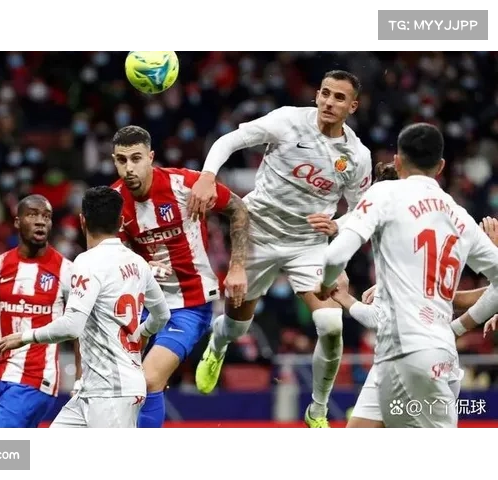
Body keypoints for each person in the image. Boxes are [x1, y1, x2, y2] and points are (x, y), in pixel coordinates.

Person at [188, 70, 372, 427]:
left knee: (330, 324)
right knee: (238, 327)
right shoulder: (287, 121)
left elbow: (361, 209)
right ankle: (218, 345)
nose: (329, 102)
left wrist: (338, 226)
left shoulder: (357, 156)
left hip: (308, 244)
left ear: (353, 106)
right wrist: (207, 176)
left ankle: (317, 410)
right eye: (325, 93)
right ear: (317, 95)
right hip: (257, 233)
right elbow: (230, 140)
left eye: (339, 97)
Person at [317, 122, 498, 429]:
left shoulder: (386, 193)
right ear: (441, 166)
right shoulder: (461, 216)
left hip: (408, 351)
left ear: (397, 161)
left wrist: (325, 283)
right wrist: (457, 328)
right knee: (359, 431)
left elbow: (335, 256)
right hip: (428, 351)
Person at [0, 186, 171, 431]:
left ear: (82, 221)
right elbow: (162, 315)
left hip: (112, 392)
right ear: (121, 222)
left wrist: (25, 337)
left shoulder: (88, 262)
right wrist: (142, 333)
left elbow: (72, 326)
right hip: (93, 390)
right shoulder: (138, 263)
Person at [109, 125, 250, 429]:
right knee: (120, 387)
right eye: (121, 160)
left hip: (189, 305)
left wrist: (238, 266)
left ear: (151, 157)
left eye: (136, 158)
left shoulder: (185, 184)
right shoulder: (113, 202)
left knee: (149, 379)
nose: (129, 168)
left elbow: (238, 209)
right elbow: (113, 257)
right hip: (143, 305)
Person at [0, 194, 76, 429]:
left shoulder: (67, 271)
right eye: (32, 215)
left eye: (46, 216)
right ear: (17, 222)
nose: (40, 221)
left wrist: (80, 381)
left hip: (37, 379)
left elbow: (79, 331)